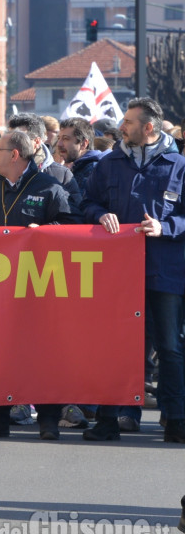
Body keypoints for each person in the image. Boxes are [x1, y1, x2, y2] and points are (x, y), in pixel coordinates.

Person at [0, 130, 80, 439]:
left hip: (38, 287)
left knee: (42, 353)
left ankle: (48, 420)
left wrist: (45, 231)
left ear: (15, 155)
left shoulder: (50, 187)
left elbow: (72, 225)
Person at [82, 97, 185, 443]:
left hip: (166, 272)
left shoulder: (178, 166)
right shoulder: (109, 163)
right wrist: (99, 214)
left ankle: (176, 419)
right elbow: (86, 202)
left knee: (170, 347)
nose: (121, 127)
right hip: (118, 274)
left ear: (149, 128)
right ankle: (109, 418)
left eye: (128, 122)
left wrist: (165, 228)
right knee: (117, 345)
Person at [56, 118, 104, 193]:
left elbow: (79, 202)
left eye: (66, 139)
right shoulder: (79, 167)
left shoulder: (93, 169)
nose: (59, 144)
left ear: (83, 144)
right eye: (58, 138)